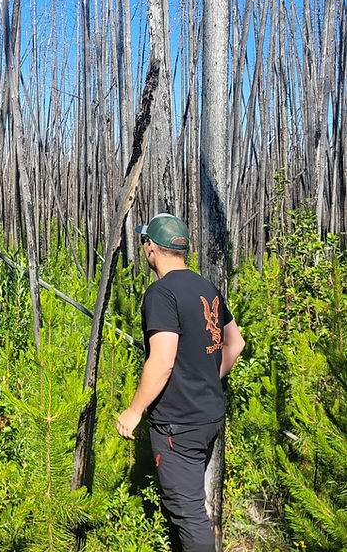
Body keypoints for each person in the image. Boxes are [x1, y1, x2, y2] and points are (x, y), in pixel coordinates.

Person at [116, 213, 245, 552]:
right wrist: (207, 377)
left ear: (150, 248)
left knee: (189, 516)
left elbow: (162, 359)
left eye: (146, 242)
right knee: (189, 509)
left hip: (179, 425)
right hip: (210, 417)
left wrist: (134, 410)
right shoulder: (206, 287)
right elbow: (236, 343)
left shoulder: (161, 293)